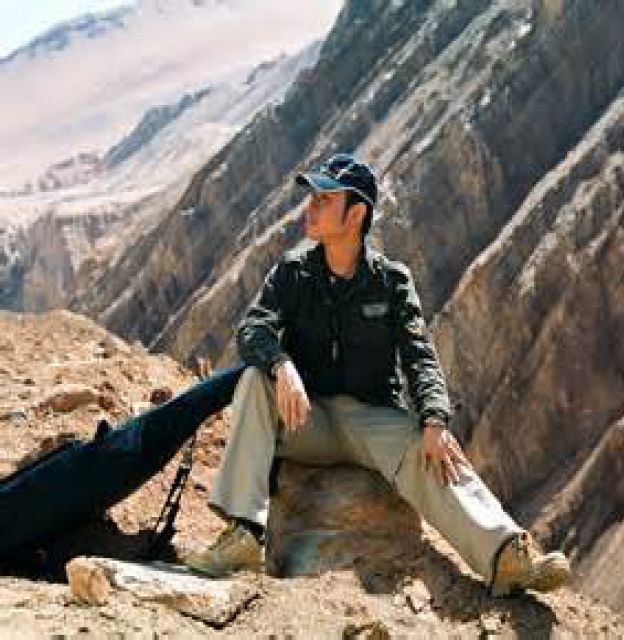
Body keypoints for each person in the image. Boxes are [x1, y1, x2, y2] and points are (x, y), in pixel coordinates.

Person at [184, 153, 570, 596]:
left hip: (372, 421)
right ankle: (246, 535)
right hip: (307, 419)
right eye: (312, 197)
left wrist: (435, 417)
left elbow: (419, 355)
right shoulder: (292, 271)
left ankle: (506, 557)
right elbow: (252, 329)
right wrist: (281, 364)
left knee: (435, 451)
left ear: (356, 215)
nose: (310, 207)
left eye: (324, 199)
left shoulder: (391, 281)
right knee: (253, 380)